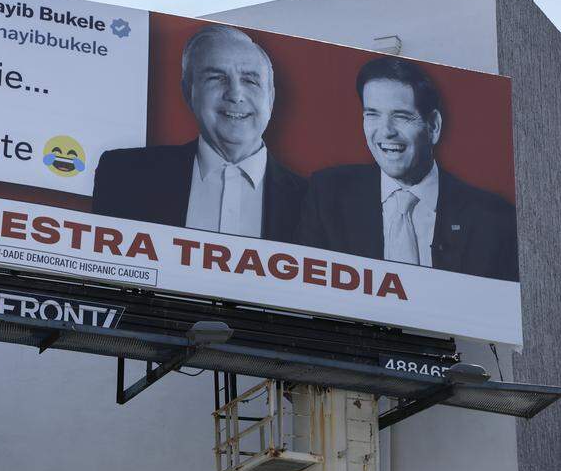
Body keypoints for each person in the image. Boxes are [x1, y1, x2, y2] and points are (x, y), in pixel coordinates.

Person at [298, 57, 518, 280]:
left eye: (401, 116)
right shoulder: (327, 195)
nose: (386, 131)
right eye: (372, 114)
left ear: (433, 126)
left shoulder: (493, 219)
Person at [92, 24, 306, 242]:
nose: (235, 95)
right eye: (216, 78)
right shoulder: (124, 175)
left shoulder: (312, 202)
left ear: (270, 97)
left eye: (250, 80)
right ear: (188, 91)